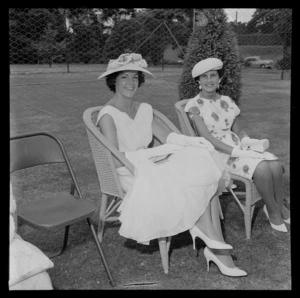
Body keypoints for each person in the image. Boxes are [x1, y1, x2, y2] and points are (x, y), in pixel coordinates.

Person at [95, 52, 247, 277]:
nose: (130, 83)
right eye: (124, 77)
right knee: (190, 179)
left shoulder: (144, 108)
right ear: (113, 81)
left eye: (135, 77)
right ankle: (216, 247)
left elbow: (170, 138)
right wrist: (147, 168)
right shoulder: (107, 114)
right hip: (128, 169)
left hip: (151, 160)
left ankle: (212, 242)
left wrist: (194, 142)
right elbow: (115, 155)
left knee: (199, 168)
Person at [184, 57, 290, 234]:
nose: (209, 80)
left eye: (213, 75)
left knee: (275, 165)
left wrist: (247, 141)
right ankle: (273, 212)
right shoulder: (194, 105)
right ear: (198, 81)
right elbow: (207, 137)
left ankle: (280, 207)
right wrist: (235, 151)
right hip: (217, 153)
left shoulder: (227, 100)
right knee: (263, 168)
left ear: (220, 79)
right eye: (204, 77)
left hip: (238, 146)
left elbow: (239, 130)